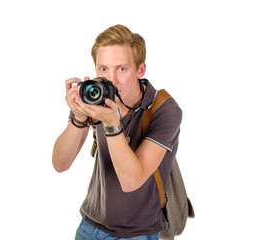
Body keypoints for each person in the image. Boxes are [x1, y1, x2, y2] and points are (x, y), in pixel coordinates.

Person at [52, 24, 182, 239]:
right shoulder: (97, 97)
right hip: (89, 224)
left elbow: (131, 181)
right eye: (103, 69)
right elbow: (60, 164)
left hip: (136, 233)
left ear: (140, 70)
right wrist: (78, 116)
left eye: (121, 69)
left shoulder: (164, 110)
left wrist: (112, 124)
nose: (110, 79)